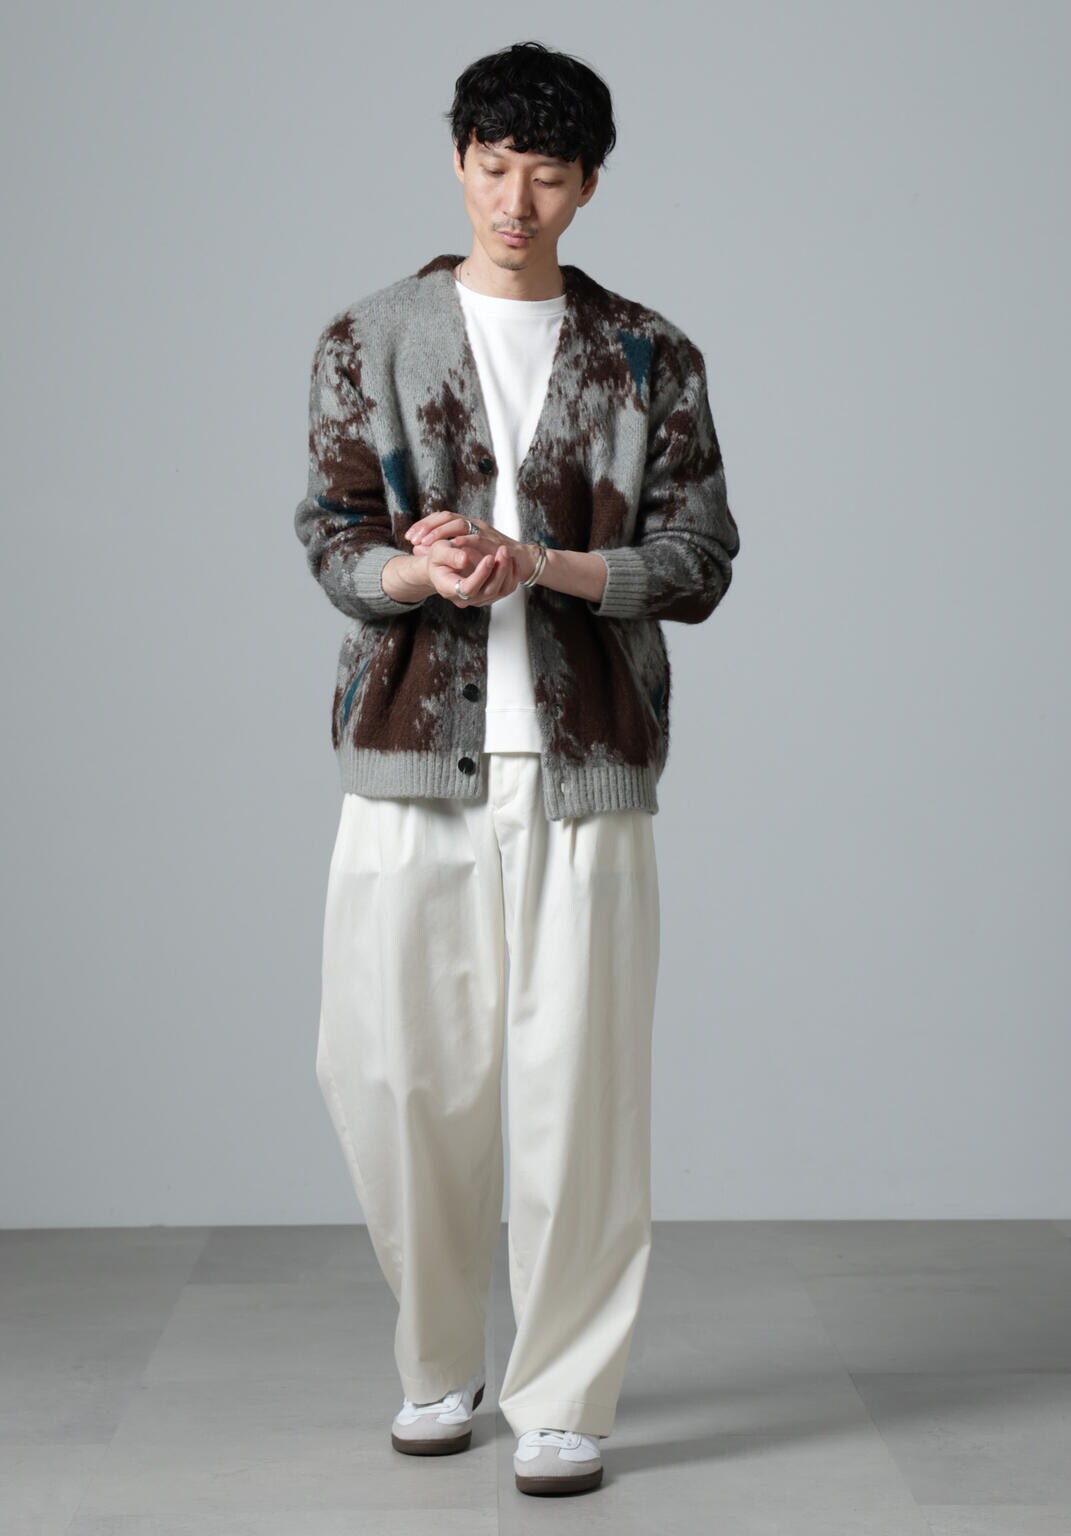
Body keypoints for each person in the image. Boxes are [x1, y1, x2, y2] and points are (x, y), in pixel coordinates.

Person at [294, 40, 739, 1498]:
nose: (515, 201)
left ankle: (565, 1395)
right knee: (392, 1080)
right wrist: (416, 572)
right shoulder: (371, 337)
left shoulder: (648, 356)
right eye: (493, 167)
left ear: (590, 184)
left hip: (586, 764)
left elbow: (699, 559)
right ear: (459, 160)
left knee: (579, 1093)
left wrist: (538, 562)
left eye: (548, 174)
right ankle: (438, 1361)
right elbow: (331, 537)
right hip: (407, 757)